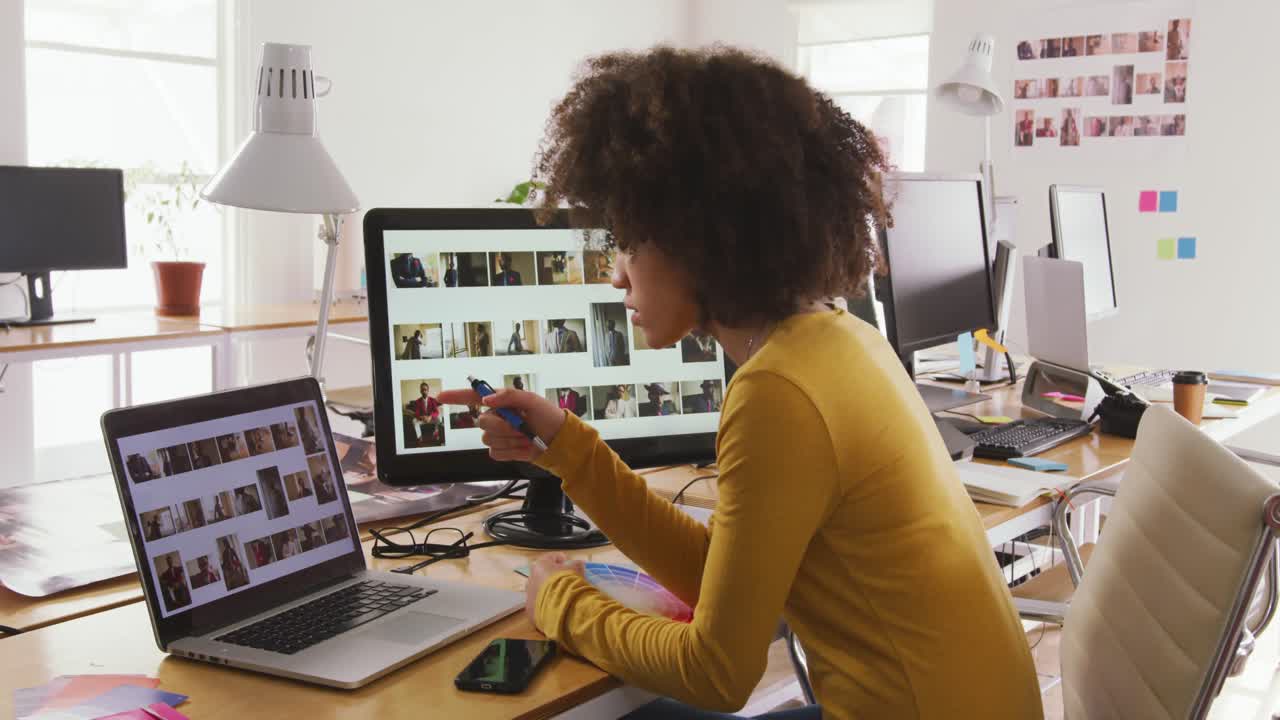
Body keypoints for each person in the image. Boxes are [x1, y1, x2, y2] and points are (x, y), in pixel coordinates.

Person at [438, 46, 1041, 719]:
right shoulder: (839, 340)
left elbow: (716, 673)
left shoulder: (778, 391)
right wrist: (567, 448)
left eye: (629, 240)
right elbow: (721, 575)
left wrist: (559, 601)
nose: (617, 275)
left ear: (699, 239)